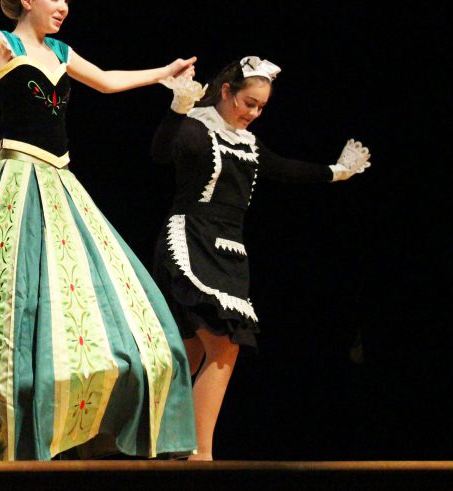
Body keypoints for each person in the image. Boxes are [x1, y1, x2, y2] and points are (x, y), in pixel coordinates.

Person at [0, 0, 198, 461]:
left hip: (62, 182)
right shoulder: (5, 45)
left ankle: (86, 422)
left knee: (97, 295)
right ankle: (14, 415)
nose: (63, 7)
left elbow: (108, 81)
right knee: (17, 293)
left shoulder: (62, 52)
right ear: (27, 0)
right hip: (17, 178)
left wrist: (163, 73)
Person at [149, 57, 371, 460]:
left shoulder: (247, 143)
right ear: (226, 91)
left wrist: (337, 172)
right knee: (224, 345)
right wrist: (178, 106)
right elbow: (162, 152)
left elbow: (284, 169)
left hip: (230, 250)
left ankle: (167, 448)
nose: (252, 113)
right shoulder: (198, 126)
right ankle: (200, 454)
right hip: (192, 241)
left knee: (189, 352)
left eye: (260, 107)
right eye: (247, 102)